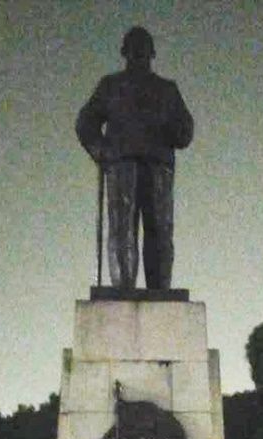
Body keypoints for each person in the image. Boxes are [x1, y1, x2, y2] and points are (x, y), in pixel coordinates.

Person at [75, 26, 194, 290]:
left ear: (152, 53)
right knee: (122, 229)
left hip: (157, 166)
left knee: (160, 230)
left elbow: (185, 131)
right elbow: (86, 122)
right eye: (133, 49)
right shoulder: (110, 86)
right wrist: (99, 149)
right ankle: (123, 289)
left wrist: (168, 129)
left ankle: (159, 289)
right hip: (122, 165)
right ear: (124, 52)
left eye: (143, 49)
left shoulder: (167, 90)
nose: (138, 54)